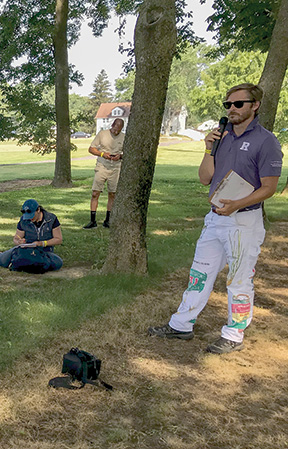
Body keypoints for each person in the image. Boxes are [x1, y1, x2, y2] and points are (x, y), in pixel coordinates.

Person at [148, 83, 282, 354]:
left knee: (239, 279)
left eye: (238, 104)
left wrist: (237, 204)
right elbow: (205, 178)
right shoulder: (222, 137)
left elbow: (269, 187)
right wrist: (209, 148)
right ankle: (181, 325)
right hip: (215, 218)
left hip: (244, 221)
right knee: (199, 274)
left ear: (255, 105)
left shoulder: (266, 141)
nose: (232, 109)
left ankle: (234, 333)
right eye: (227, 105)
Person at [0, 199, 63, 273]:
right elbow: (16, 238)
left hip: (44, 251)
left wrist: (42, 243)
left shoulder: (51, 219)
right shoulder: (23, 220)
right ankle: (2, 256)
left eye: (32, 215)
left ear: (38, 210)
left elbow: (58, 239)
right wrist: (19, 242)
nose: (30, 218)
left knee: (58, 263)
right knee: (1, 261)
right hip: (26, 250)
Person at [84, 118, 124, 229]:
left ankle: (108, 220)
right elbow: (91, 149)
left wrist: (120, 156)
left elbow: (128, 152)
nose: (116, 132)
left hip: (115, 167)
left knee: (112, 194)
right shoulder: (102, 134)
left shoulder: (124, 137)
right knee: (95, 193)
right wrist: (102, 154)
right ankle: (92, 221)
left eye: (119, 130)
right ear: (112, 125)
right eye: (115, 129)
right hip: (102, 166)